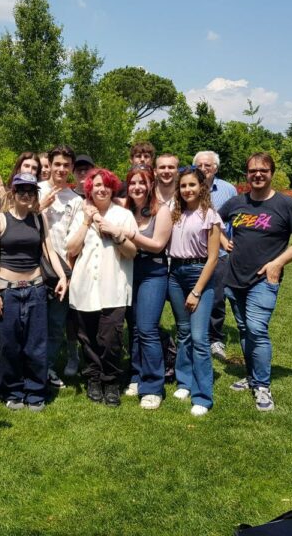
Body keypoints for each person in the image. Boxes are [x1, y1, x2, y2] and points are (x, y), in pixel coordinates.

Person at [219, 153, 292, 412]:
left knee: (257, 329)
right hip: (235, 278)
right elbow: (213, 223)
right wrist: (225, 242)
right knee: (245, 330)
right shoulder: (236, 202)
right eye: (252, 171)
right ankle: (251, 376)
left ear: (271, 173)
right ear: (246, 174)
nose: (257, 175)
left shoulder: (287, 205)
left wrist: (278, 263)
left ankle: (262, 385)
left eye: (263, 170)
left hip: (264, 280)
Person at [0, 173, 67, 411]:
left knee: (36, 344)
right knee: (10, 345)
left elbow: (50, 250)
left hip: (36, 289)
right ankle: (13, 390)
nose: (26, 194)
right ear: (13, 191)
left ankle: (35, 391)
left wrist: (62, 275)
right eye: (21, 190)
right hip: (7, 291)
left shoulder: (39, 219)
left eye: (31, 191)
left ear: (35, 195)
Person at [66, 168, 136, 406]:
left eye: (106, 185)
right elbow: (72, 249)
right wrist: (87, 221)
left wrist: (115, 233)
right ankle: (94, 378)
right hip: (84, 286)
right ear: (90, 189)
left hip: (113, 286)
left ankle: (111, 380)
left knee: (111, 340)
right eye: (96, 185)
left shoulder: (123, 215)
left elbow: (132, 252)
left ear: (112, 188)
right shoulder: (80, 214)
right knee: (87, 338)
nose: (101, 189)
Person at [167, 166, 222, 416]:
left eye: (192, 185)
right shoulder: (174, 213)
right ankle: (184, 381)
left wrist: (197, 291)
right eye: (183, 186)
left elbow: (213, 258)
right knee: (184, 332)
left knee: (200, 338)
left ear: (201, 187)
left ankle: (203, 395)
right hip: (175, 273)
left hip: (199, 273)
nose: (187, 190)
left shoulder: (209, 215)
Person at [123, 166, 172, 409]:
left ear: (150, 185)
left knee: (147, 328)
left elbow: (157, 245)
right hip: (129, 270)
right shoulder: (125, 209)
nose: (137, 188)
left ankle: (153, 386)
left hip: (153, 271)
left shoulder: (160, 211)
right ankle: (136, 376)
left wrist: (128, 234)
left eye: (142, 183)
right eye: (132, 183)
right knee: (133, 327)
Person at [38, 145, 83, 384]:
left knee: (56, 324)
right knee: (35, 323)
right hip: (33, 266)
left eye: (66, 165)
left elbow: (73, 242)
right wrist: (41, 206)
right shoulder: (34, 190)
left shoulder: (75, 200)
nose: (61, 169)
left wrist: (68, 274)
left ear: (72, 168)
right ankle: (30, 367)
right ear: (50, 164)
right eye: (57, 164)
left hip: (61, 270)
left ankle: (47, 368)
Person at [192, 150, 238, 362]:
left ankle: (215, 337)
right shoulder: (188, 187)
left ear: (215, 168)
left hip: (219, 253)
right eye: (199, 165)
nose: (203, 169)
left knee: (218, 297)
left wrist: (234, 242)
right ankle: (195, 335)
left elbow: (237, 218)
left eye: (207, 166)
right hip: (193, 254)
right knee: (193, 295)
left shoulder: (228, 190)